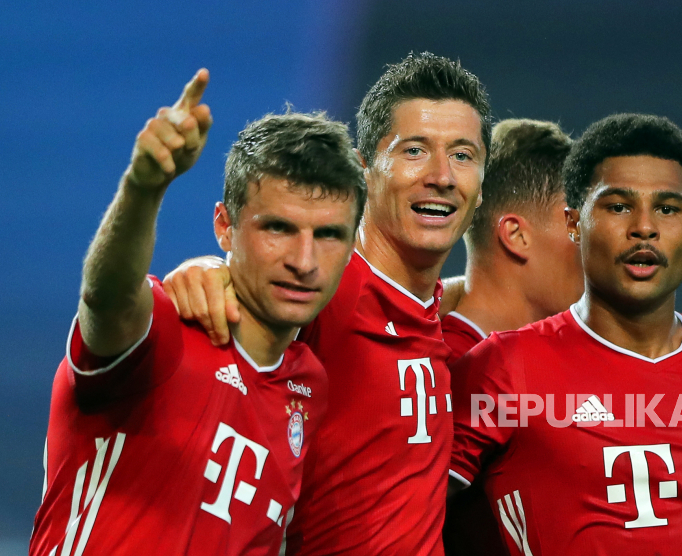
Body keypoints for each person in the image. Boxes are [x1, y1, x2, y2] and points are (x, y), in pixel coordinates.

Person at [449, 113, 682, 555]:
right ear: (575, 223)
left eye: (668, 209)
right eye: (618, 206)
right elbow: (403, 517)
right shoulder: (502, 367)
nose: (644, 227)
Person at [162, 52, 492, 555]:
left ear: (482, 183)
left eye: (463, 155)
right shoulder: (322, 290)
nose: (442, 176)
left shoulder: (428, 307)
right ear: (362, 172)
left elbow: (487, 289)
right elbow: (250, 292)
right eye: (415, 151)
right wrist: (208, 270)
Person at [30, 70, 366, 555]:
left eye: (329, 235)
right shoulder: (163, 329)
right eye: (278, 228)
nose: (304, 261)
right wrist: (144, 188)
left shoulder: (308, 389)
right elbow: (107, 298)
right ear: (224, 228)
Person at [441, 118, 583, 556]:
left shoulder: (569, 361)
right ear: (516, 235)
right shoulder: (432, 367)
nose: (597, 241)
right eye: (575, 221)